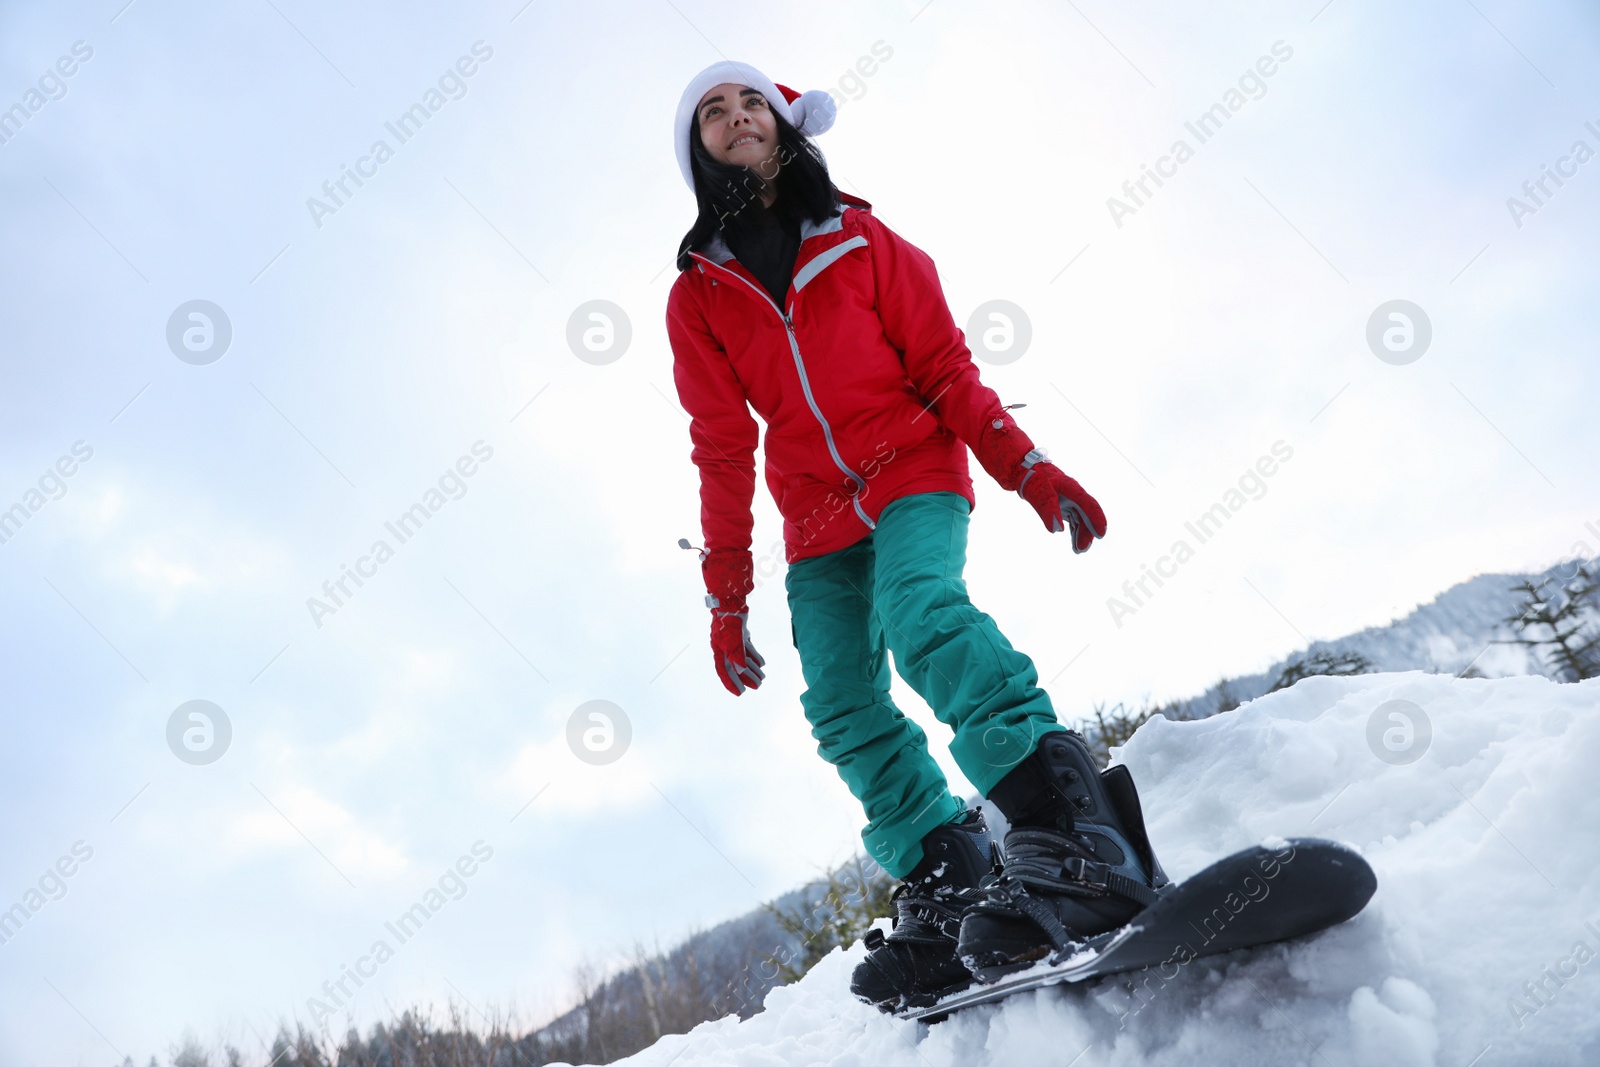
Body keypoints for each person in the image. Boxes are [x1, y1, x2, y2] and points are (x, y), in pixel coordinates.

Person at [666, 61, 1168, 1013]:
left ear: (783, 125)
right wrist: (728, 596)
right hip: (814, 514)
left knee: (921, 611)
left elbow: (943, 365)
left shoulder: (862, 240)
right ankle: (954, 876)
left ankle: (1068, 825)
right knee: (843, 703)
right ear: (695, 151)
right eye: (712, 115)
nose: (735, 120)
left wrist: (1023, 464)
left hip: (911, 468)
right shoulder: (697, 297)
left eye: (750, 105)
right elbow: (722, 449)